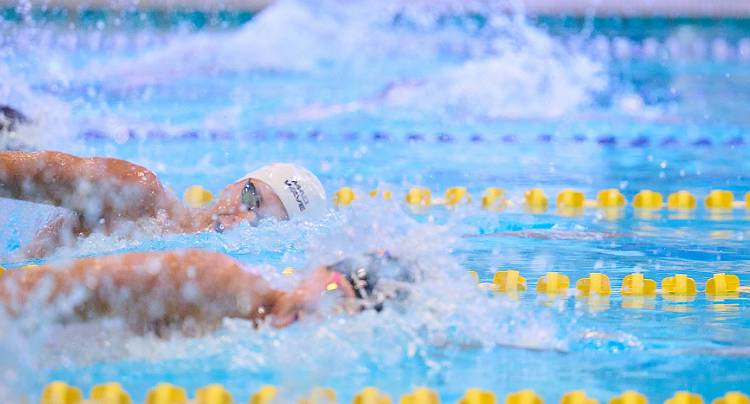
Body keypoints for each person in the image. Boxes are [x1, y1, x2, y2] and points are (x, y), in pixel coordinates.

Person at [0, 151, 327, 258]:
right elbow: (13, 173)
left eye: (262, 221)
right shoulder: (135, 192)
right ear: (234, 183)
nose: (242, 218)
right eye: (251, 198)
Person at [0, 248, 396, 335]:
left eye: (345, 310)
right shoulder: (213, 278)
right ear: (317, 272)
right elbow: (25, 292)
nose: (320, 310)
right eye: (331, 291)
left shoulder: (235, 325)